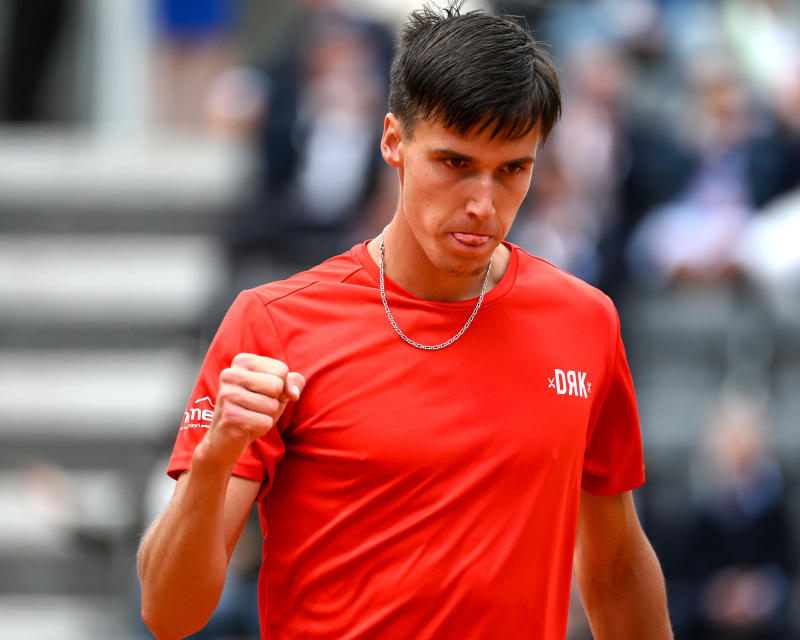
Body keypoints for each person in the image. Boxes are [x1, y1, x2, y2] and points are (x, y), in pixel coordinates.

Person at [137, 3, 672, 638]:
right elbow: (169, 614)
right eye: (454, 163)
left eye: (512, 171)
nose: (482, 203)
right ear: (393, 140)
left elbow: (614, 567)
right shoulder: (273, 324)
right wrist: (213, 458)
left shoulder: (585, 322)